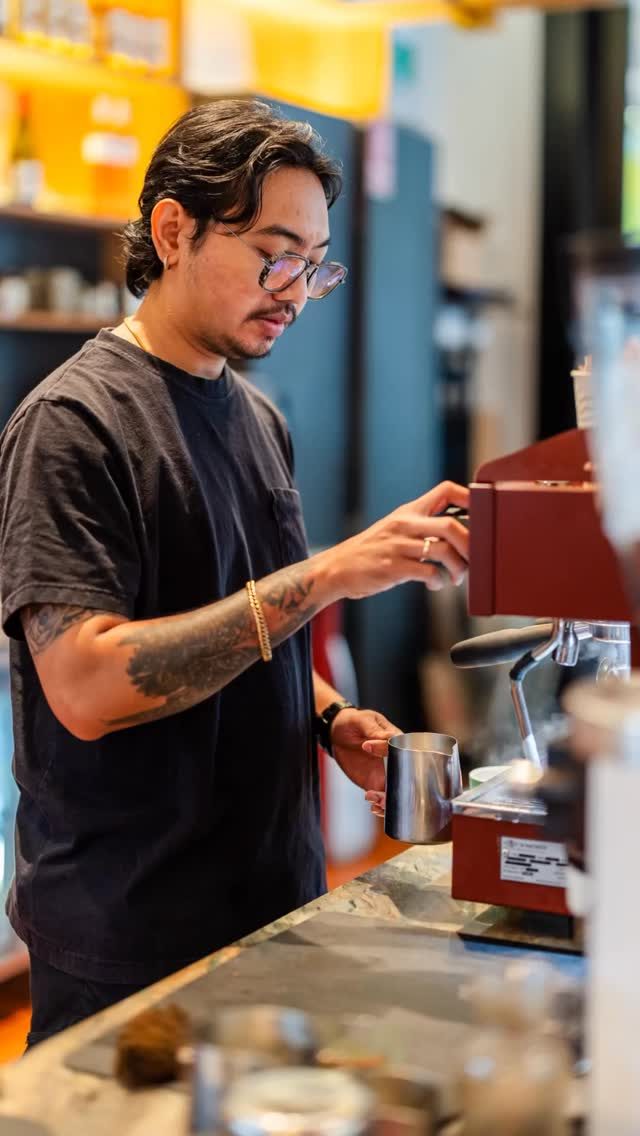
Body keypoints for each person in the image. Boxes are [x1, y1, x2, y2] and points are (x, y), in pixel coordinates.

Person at [0, 98, 469, 1046]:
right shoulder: (73, 424)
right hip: (132, 934)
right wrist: (327, 576)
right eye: (273, 255)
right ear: (174, 231)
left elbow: (248, 621)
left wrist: (328, 719)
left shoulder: (259, 421)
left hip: (270, 898)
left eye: (314, 266)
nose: (295, 291)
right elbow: (86, 686)